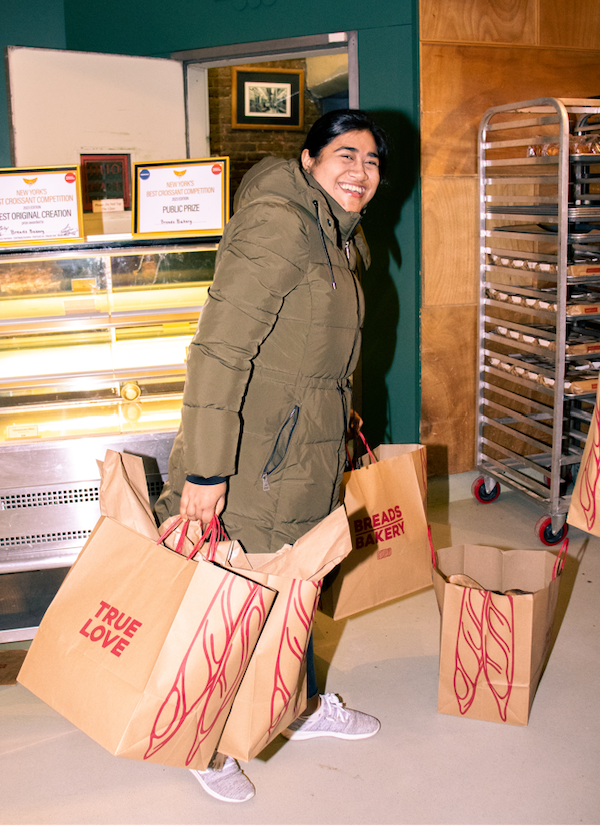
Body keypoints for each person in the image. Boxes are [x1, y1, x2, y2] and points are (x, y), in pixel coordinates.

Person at [155, 109, 389, 803]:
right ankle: (199, 739)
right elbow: (219, 349)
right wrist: (205, 469)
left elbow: (307, 343)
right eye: (346, 154)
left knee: (296, 586)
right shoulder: (280, 224)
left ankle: (300, 706)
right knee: (232, 598)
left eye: (374, 161)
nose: (362, 171)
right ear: (311, 159)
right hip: (254, 452)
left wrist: (337, 409)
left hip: (306, 443)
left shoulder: (336, 232)